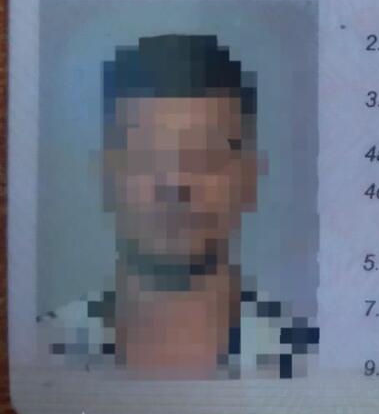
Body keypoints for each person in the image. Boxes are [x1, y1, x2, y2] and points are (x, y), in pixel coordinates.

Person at [38, 34, 318, 379]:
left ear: (249, 178)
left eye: (205, 155)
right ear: (105, 177)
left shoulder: (311, 364)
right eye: (145, 154)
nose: (174, 183)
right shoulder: (38, 358)